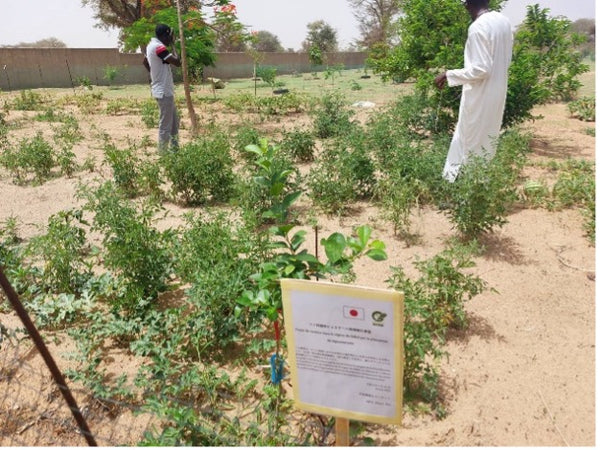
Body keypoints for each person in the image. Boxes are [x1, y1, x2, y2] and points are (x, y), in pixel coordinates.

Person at [434, 0, 513, 182]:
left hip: (481, 95)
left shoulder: (478, 28)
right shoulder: (503, 21)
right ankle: (480, 183)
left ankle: (463, 187)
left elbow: (481, 69)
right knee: (487, 139)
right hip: (498, 90)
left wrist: (448, 74)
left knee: (468, 140)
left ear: (468, 4)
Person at [143, 24, 182, 152]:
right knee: (166, 125)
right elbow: (177, 62)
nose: (170, 38)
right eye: (169, 35)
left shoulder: (151, 46)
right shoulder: (158, 47)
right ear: (165, 35)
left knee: (174, 122)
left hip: (163, 90)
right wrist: (174, 45)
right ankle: (163, 154)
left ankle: (175, 150)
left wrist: (154, 75)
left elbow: (144, 62)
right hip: (163, 91)